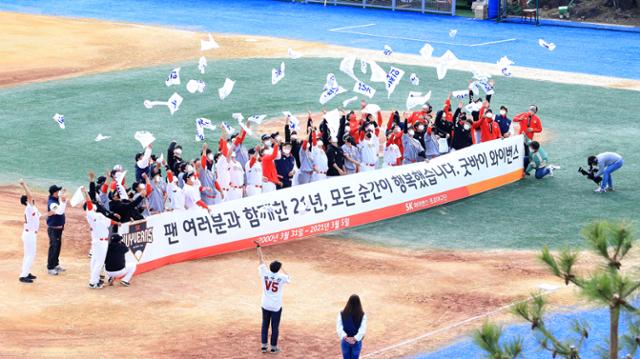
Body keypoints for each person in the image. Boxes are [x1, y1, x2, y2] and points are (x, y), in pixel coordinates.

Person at [256, 243, 290, 353]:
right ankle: (274, 348)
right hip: (276, 306)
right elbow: (289, 277)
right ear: (278, 269)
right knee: (275, 327)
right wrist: (282, 267)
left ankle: (264, 346)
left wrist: (258, 247)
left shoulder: (264, 273)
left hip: (265, 304)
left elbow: (261, 259)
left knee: (265, 324)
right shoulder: (282, 277)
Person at [82, 187, 119, 289]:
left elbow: (109, 220)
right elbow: (89, 203)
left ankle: (95, 279)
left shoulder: (98, 214)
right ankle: (93, 282)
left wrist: (117, 223)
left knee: (95, 261)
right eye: (92, 206)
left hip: (99, 241)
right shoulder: (91, 214)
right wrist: (85, 193)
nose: (94, 206)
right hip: (100, 242)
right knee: (99, 262)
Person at [19, 180, 40, 283]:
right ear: (27, 201)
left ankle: (26, 272)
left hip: (30, 234)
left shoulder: (33, 209)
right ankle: (23, 275)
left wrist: (51, 214)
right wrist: (24, 185)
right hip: (29, 235)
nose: (32, 199)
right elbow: (30, 195)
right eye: (30, 199)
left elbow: (41, 217)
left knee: (28, 254)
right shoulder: (29, 208)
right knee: (30, 254)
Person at [337, 294, 368, 359]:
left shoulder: (341, 313)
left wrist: (345, 336)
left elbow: (339, 327)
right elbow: (363, 329)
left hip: (345, 341)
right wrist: (355, 338)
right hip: (356, 342)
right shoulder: (362, 314)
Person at [46, 185, 67, 276]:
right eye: (58, 191)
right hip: (53, 229)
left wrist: (63, 199)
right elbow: (59, 211)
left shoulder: (55, 200)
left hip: (58, 229)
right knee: (53, 247)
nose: (59, 192)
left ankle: (55, 264)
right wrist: (63, 201)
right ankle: (50, 267)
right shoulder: (52, 203)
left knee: (57, 247)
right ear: (54, 193)